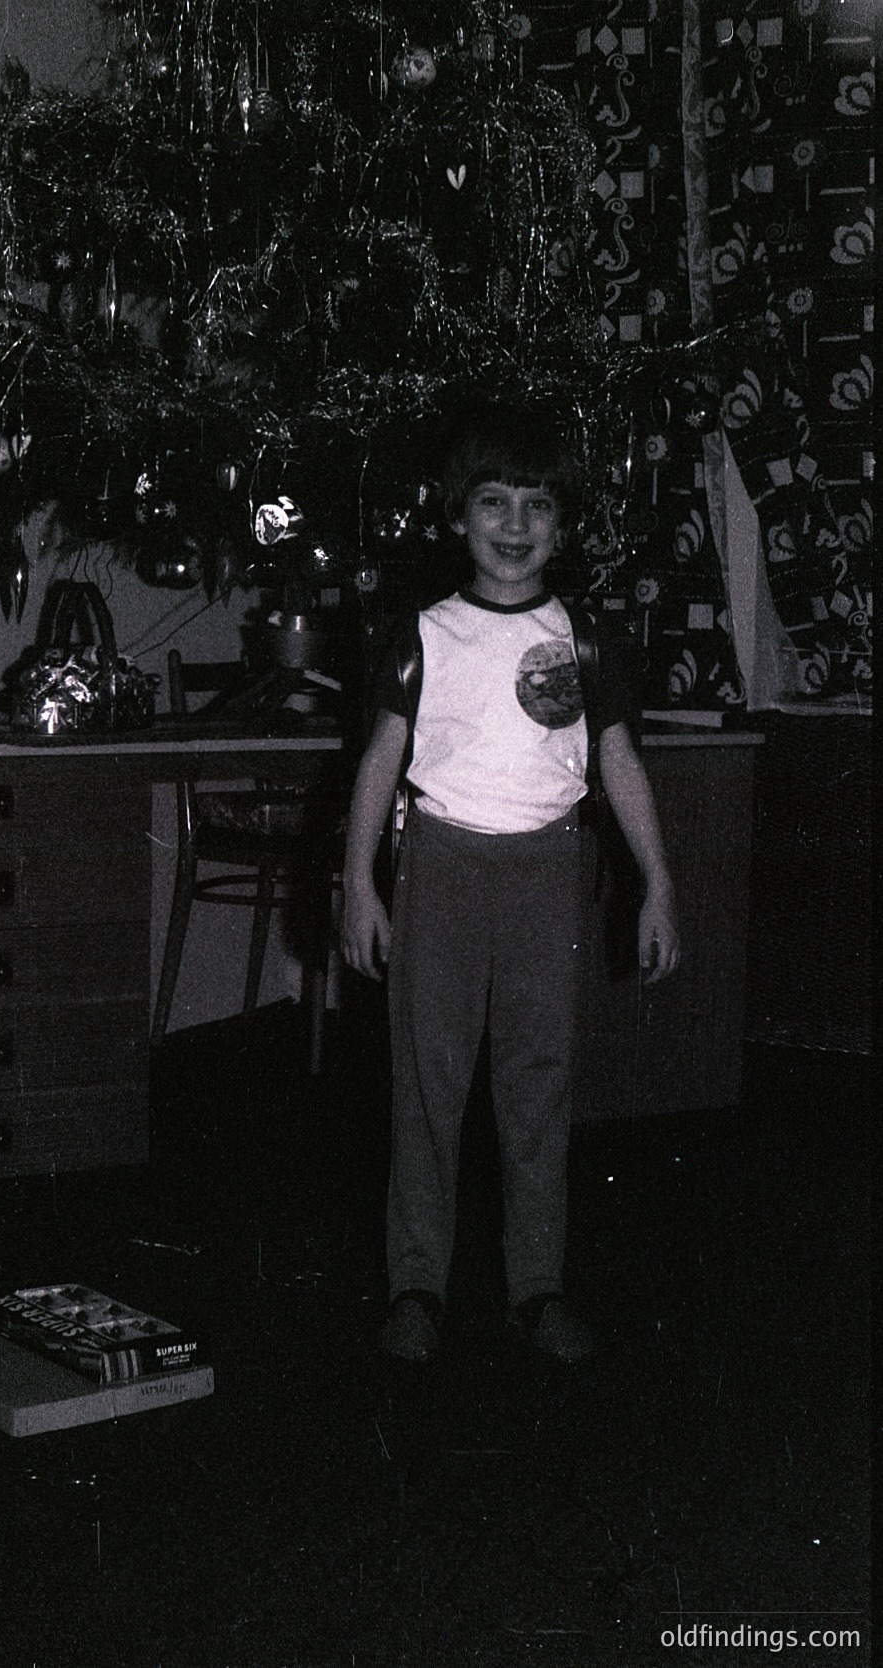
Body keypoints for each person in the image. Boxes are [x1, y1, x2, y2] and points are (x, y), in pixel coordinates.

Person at [341, 402, 680, 1364]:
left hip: (545, 873)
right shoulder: (424, 635)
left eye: (537, 505)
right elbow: (378, 762)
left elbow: (618, 763)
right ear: (458, 517)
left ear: (562, 527)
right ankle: (416, 1287)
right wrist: (360, 884)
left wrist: (658, 883)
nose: (515, 523)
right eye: (493, 501)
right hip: (441, 868)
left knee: (539, 1083)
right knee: (428, 1084)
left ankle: (537, 1287)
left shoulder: (586, 641)